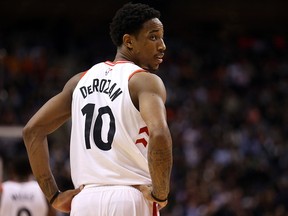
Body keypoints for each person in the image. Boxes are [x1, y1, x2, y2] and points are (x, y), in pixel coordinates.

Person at [23, 2, 173, 216]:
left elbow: (32, 131)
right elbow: (159, 134)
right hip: (130, 197)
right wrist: (160, 193)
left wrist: (54, 196)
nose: (162, 45)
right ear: (129, 41)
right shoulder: (144, 82)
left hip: (84, 201)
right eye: (153, 36)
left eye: (162, 37)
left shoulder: (78, 81)